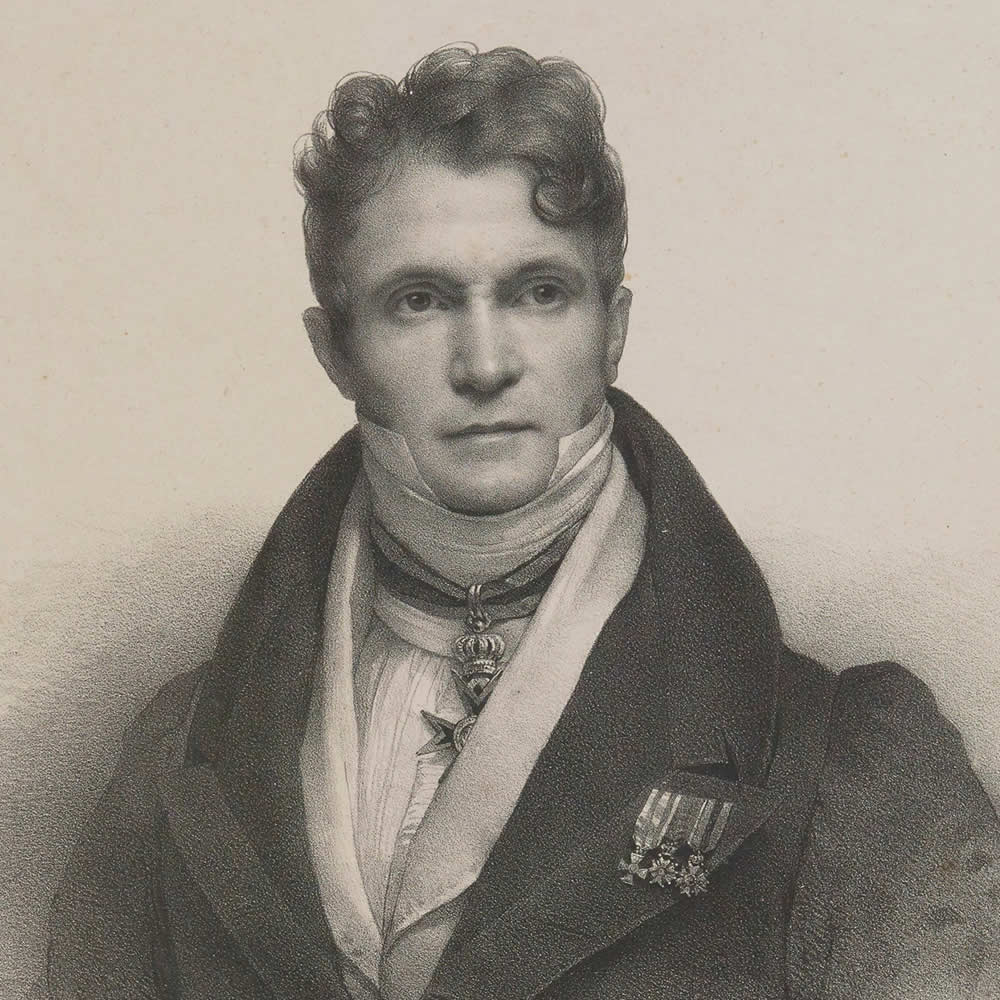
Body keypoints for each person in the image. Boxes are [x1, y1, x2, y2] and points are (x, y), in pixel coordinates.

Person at [45, 44, 999, 1000]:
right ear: (335, 350)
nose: (486, 363)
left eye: (539, 293)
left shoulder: (838, 762)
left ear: (611, 329)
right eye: (419, 301)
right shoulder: (177, 763)